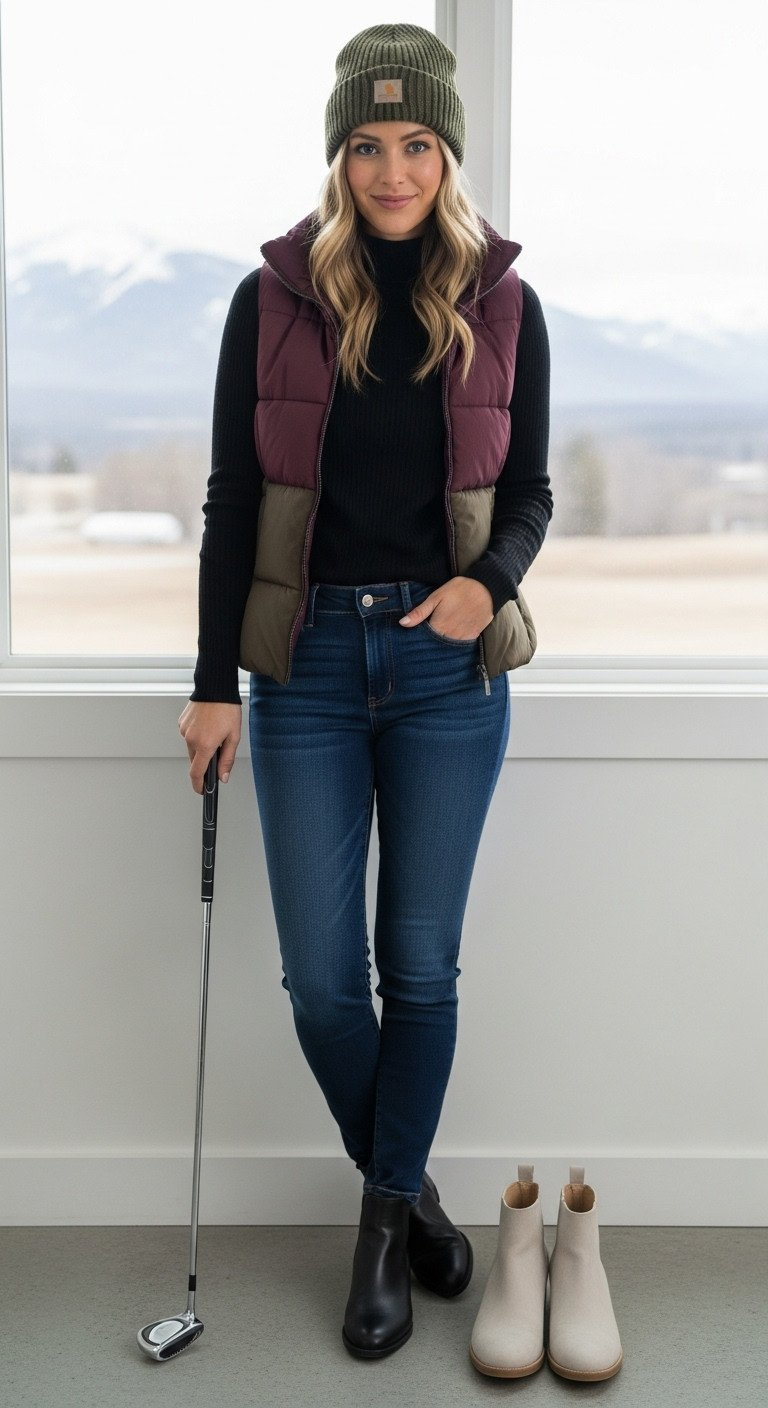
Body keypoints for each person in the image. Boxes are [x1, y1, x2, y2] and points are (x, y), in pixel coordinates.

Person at [177, 22, 552, 1362]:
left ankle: (381, 1232)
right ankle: (418, 1197)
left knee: (421, 967)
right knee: (326, 984)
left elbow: (529, 493)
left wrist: (487, 583)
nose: (391, 168)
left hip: (450, 672)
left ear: (448, 152)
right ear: (337, 156)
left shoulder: (502, 302)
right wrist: (213, 683)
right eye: (365, 144)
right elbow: (232, 502)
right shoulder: (270, 298)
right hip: (311, 670)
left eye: (415, 143)